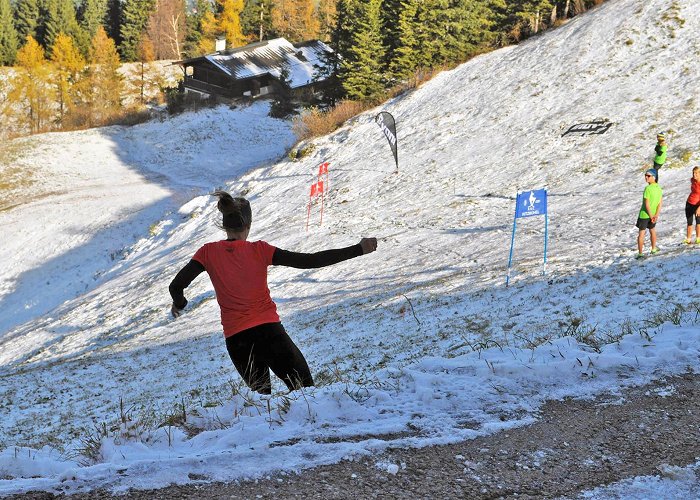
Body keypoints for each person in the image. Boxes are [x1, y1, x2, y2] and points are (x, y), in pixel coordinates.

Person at [169, 191, 378, 394]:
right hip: (269, 333)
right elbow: (310, 261)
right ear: (248, 226)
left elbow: (176, 286)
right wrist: (359, 249)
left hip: (237, 340)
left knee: (263, 406)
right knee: (306, 393)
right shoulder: (260, 250)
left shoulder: (207, 252)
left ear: (225, 226)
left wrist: (180, 304)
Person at [635, 168, 663, 259]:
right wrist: (656, 215)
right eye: (645, 176)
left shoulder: (647, 188)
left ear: (654, 177)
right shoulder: (659, 188)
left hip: (644, 215)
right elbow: (660, 203)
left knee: (641, 234)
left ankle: (640, 253)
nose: (646, 177)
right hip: (653, 215)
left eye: (648, 176)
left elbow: (646, 204)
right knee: (652, 230)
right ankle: (653, 248)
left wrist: (651, 215)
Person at [684, 166, 700, 244]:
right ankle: (688, 239)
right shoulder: (692, 180)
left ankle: (698, 238)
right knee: (689, 222)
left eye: (696, 173)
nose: (694, 175)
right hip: (689, 203)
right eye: (693, 173)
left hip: (698, 205)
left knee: (698, 222)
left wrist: (699, 208)